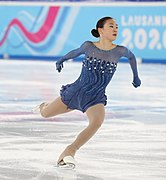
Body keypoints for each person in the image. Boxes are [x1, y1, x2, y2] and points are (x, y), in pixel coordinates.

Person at [35, 16, 141, 168]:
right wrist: (62, 60)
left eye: (117, 27)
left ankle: (69, 152)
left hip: (95, 97)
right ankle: (43, 106)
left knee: (96, 122)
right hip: (76, 91)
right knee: (45, 114)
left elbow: (132, 57)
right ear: (101, 30)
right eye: (111, 26)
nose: (115, 29)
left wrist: (136, 76)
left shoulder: (120, 51)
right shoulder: (88, 46)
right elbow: (75, 52)